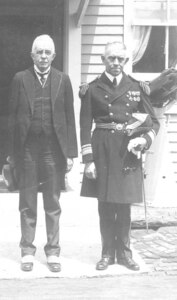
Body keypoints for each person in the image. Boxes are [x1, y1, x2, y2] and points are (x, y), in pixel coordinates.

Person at [79, 41, 159, 271]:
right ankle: (106, 254)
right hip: (102, 150)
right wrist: (88, 160)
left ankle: (125, 253)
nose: (116, 63)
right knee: (104, 204)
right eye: (111, 58)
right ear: (103, 60)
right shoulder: (91, 89)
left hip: (127, 151)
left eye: (121, 59)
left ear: (126, 61)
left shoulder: (137, 87)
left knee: (124, 205)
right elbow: (85, 127)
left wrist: (144, 140)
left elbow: (152, 122)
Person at [8, 34, 78, 272]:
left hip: (53, 150)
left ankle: (53, 252)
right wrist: (10, 153)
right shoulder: (20, 79)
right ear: (32, 55)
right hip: (27, 149)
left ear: (54, 56)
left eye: (48, 52)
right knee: (27, 201)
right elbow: (11, 117)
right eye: (40, 52)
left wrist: (70, 153)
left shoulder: (62, 79)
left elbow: (69, 118)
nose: (44, 57)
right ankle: (27, 251)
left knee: (52, 201)